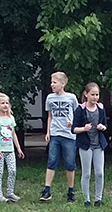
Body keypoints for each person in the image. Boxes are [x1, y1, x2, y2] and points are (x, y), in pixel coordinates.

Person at [40, 71, 77, 203]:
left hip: (69, 135)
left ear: (63, 84)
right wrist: (48, 132)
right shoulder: (50, 98)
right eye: (51, 82)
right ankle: (47, 190)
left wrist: (72, 123)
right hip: (55, 134)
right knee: (51, 161)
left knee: (70, 163)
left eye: (54, 82)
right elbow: (50, 116)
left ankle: (71, 191)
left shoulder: (71, 98)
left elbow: (76, 113)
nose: (52, 85)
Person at [72, 82, 108, 208]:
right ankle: (86, 199)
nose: (95, 97)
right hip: (85, 145)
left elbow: (105, 125)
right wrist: (84, 128)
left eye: (97, 95)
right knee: (86, 173)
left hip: (98, 145)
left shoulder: (101, 108)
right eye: (92, 94)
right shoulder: (80, 110)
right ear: (86, 94)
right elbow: (73, 129)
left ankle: (98, 199)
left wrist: (102, 127)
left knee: (99, 173)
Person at [0, 92, 23, 203]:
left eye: (7, 103)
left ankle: (10, 192)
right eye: (2, 103)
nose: (5, 105)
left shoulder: (11, 118)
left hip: (10, 150)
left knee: (12, 171)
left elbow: (13, 134)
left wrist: (18, 148)